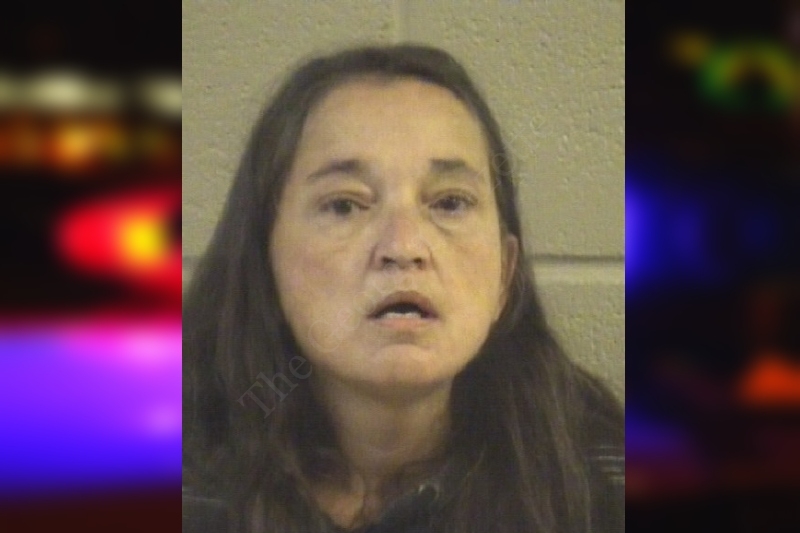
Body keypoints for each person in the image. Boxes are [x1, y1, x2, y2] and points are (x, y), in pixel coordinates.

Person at [182, 44, 624, 533]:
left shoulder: (599, 484)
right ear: (264, 262)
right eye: (345, 205)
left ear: (506, 274)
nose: (403, 247)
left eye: (450, 203)